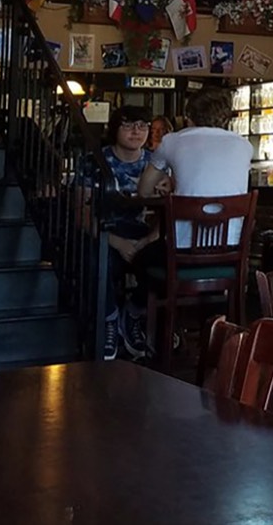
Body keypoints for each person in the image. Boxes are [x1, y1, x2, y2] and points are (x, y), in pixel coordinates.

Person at [135, 88, 253, 353]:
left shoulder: (172, 142)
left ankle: (156, 329)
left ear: (189, 115)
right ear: (226, 116)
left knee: (142, 258)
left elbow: (143, 190)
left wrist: (171, 184)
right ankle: (218, 340)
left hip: (181, 253)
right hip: (230, 255)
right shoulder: (244, 145)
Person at [81, 106, 157, 361]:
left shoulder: (156, 163)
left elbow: (170, 208)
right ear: (114, 129)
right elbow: (80, 210)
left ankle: (133, 313)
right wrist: (117, 242)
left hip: (144, 233)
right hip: (105, 231)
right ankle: (109, 319)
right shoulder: (95, 161)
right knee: (96, 260)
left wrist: (147, 239)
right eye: (128, 125)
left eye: (142, 125)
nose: (136, 131)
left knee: (166, 259)